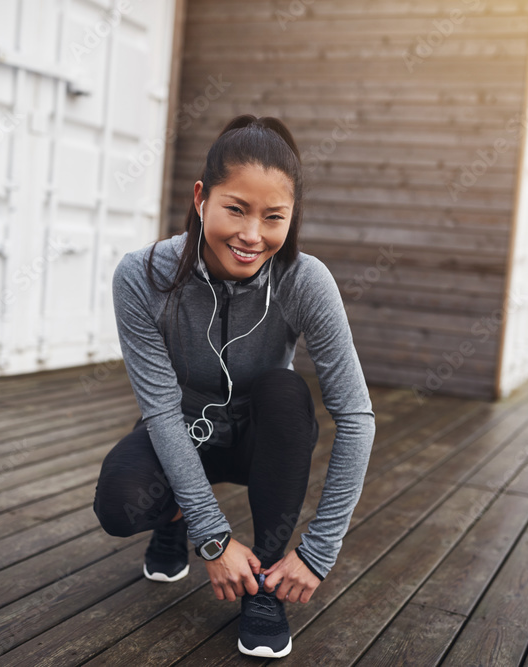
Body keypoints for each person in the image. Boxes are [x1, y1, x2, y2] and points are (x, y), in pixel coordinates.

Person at [93, 114, 376, 659]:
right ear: (202, 197)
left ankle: (265, 585)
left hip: (260, 442)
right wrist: (212, 537)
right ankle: (174, 515)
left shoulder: (306, 281)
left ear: (292, 218)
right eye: (236, 209)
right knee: (121, 504)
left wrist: (318, 551)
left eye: (274, 217)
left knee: (286, 393)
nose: (252, 236)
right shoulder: (141, 275)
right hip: (182, 424)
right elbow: (159, 410)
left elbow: (357, 417)